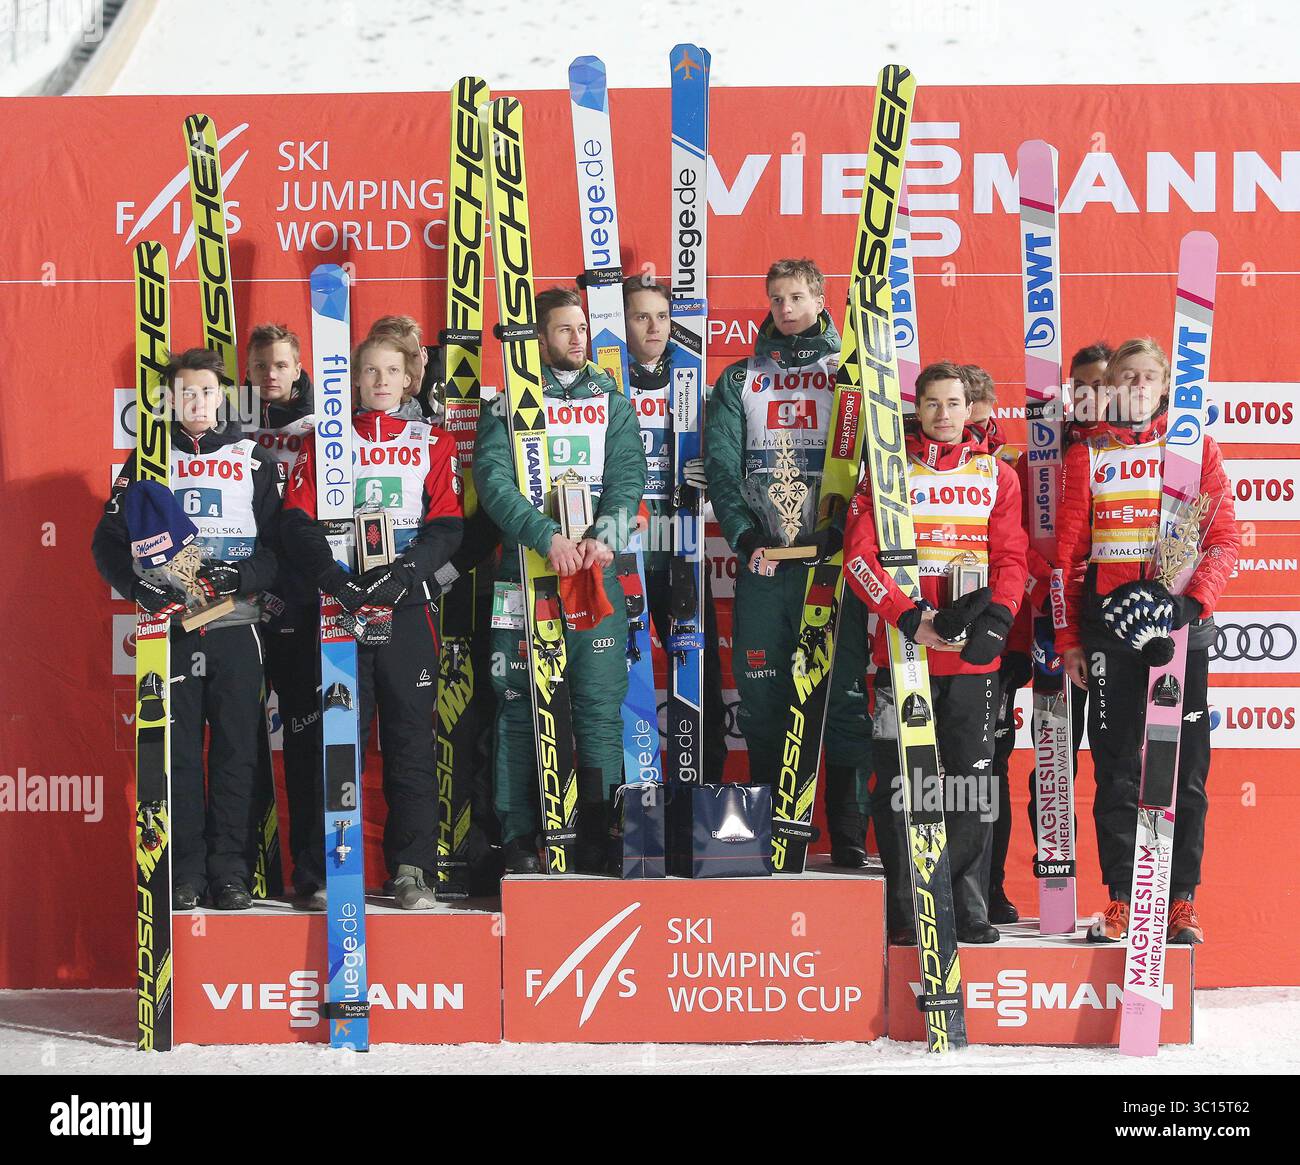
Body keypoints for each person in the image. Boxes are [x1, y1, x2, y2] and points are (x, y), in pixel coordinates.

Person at [1057, 338, 1238, 944]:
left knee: (1183, 768)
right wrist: (1071, 640)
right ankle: (1123, 900)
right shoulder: (1088, 456)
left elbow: (1224, 541)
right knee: (1117, 771)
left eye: (1146, 377)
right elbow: (1069, 558)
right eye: (1123, 378)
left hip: (1182, 630)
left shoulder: (1194, 452)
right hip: (1111, 636)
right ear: (1108, 389)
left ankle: (1180, 899)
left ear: (1165, 387)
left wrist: (1190, 603)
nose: (1134, 387)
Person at [843, 361, 1029, 944]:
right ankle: (906, 909)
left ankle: (967, 906)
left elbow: (1012, 561)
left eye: (953, 403)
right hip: (903, 653)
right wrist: (906, 618)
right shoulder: (888, 472)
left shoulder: (996, 474)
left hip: (973, 661)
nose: (943, 415)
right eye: (931, 404)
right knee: (902, 785)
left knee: (970, 786)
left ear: (971, 407)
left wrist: (998, 619)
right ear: (916, 408)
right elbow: (858, 559)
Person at [93, 347, 282, 910]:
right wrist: (140, 590)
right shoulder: (148, 461)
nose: (196, 401)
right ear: (168, 400)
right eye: (185, 392)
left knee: (235, 753)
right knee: (175, 755)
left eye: (205, 391)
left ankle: (230, 871)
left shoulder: (252, 457)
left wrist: (239, 574)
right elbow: (106, 543)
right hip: (170, 628)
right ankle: (186, 872)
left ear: (221, 395)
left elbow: (277, 551)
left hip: (235, 624)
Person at [281, 329, 463, 909]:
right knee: (340, 741)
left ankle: (413, 871)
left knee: (410, 742)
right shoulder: (326, 441)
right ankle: (326, 870)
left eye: (391, 371)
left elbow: (447, 524)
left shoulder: (429, 440)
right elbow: (295, 522)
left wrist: (403, 577)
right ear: (353, 379)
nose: (380, 381)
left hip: (405, 607)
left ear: (410, 378)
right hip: (341, 605)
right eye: (369, 371)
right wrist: (335, 580)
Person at [703, 258, 873, 866]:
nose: (785, 308)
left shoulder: (849, 374)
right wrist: (746, 540)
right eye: (776, 299)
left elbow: (874, 464)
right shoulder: (740, 379)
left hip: (835, 561)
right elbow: (722, 468)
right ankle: (777, 827)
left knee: (845, 693)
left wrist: (845, 533)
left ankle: (849, 832)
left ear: (821, 298)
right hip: (766, 564)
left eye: (797, 297)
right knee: (764, 694)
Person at [472, 287, 646, 873]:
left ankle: (598, 834)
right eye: (565, 330)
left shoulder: (613, 403)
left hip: (594, 574)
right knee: (519, 705)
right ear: (541, 338)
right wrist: (544, 536)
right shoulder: (504, 407)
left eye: (583, 328)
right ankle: (520, 840)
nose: (578, 339)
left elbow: (628, 479)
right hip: (525, 574)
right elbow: (494, 484)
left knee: (597, 708)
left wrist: (605, 536)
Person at [622, 275, 728, 779]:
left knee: (696, 670)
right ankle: (631, 785)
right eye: (641, 316)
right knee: (625, 668)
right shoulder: (605, 384)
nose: (654, 327)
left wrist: (713, 467)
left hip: (679, 539)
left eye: (662, 316)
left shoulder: (694, 380)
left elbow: (733, 454)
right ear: (619, 322)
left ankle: (703, 783)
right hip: (623, 544)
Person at [243, 323, 326, 909]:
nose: (271, 374)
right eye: (261, 365)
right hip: (241, 599)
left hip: (300, 596)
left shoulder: (325, 421)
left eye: (281, 364)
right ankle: (243, 866)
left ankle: (312, 870)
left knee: (306, 739)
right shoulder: (228, 425)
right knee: (238, 738)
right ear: (247, 371)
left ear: (299, 368)